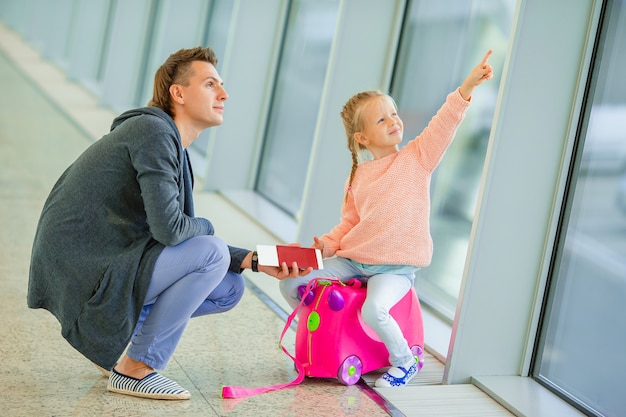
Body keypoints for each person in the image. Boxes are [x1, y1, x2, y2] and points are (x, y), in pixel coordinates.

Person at [27, 46, 311, 401]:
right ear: (178, 93)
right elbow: (173, 231)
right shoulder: (153, 132)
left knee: (228, 289)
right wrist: (208, 228)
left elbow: (176, 237)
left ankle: (116, 346)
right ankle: (136, 368)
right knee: (210, 253)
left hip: (106, 259)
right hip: (84, 269)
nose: (224, 94)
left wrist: (252, 260)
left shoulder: (166, 140)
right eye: (210, 85)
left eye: (221, 86)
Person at [280, 50, 494, 387]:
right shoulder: (359, 175)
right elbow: (350, 223)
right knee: (290, 283)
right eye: (382, 119)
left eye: (394, 114)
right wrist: (328, 244)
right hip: (353, 261)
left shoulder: (417, 158)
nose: (394, 121)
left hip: (395, 269)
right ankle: (324, 336)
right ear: (362, 138)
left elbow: (444, 122)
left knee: (374, 310)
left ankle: (404, 361)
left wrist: (468, 85)